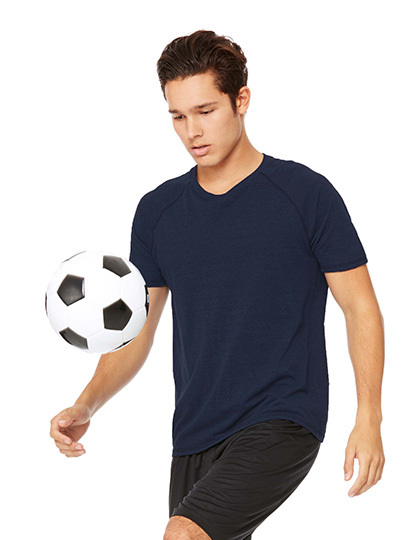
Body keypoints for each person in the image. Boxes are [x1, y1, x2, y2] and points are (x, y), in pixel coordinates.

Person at [50, 30, 385, 540]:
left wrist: (369, 417)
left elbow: (361, 308)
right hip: (195, 431)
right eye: (178, 116)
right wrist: (87, 403)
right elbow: (137, 329)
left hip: (283, 417)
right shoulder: (157, 212)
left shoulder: (305, 195)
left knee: (183, 534)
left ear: (241, 100)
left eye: (205, 111)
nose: (192, 131)